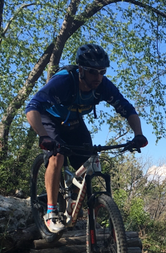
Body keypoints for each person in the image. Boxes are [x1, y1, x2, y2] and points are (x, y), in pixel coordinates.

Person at [25, 43, 148, 234]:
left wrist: (138, 135)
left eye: (102, 71)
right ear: (81, 69)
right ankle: (51, 212)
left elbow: (127, 109)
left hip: (74, 121)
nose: (98, 77)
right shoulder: (63, 82)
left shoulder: (103, 86)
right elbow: (32, 108)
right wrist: (43, 136)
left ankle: (72, 197)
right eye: (92, 72)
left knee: (91, 162)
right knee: (57, 156)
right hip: (49, 118)